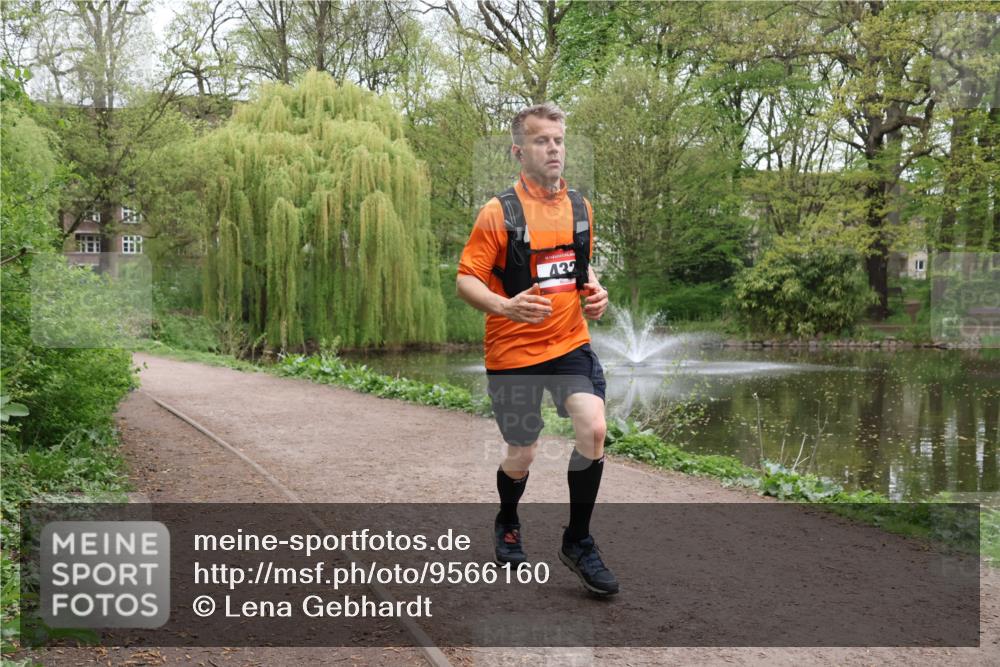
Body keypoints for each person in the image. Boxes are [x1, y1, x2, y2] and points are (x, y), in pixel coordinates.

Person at [456, 102, 618, 596]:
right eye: (542, 140)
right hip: (513, 352)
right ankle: (508, 517)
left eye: (559, 140)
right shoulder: (498, 213)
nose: (553, 149)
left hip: (569, 342)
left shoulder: (579, 206)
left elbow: (577, 268)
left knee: (594, 427)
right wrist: (505, 308)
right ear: (519, 150)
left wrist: (596, 292)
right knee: (522, 453)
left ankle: (578, 540)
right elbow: (466, 281)